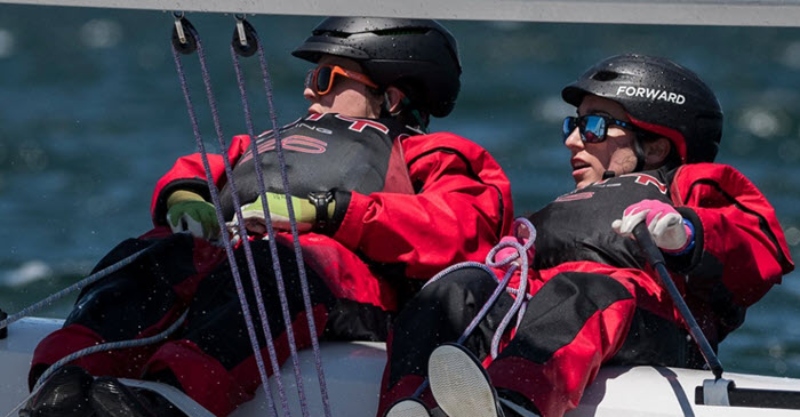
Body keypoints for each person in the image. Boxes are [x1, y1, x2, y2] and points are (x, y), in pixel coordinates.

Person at [23, 17, 514, 417]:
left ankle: (176, 400)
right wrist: (185, 199)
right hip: (232, 260)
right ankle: (63, 380)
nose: (308, 93)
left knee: (273, 265)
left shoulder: (428, 151)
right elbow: (204, 168)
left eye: (326, 79)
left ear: (391, 97)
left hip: (335, 281)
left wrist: (329, 211)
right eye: (309, 79)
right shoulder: (257, 144)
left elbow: (463, 225)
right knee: (151, 255)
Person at [378, 54, 794, 417]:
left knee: (581, 290)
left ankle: (514, 404)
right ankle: (410, 404)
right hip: (549, 319)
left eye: (594, 126)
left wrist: (684, 233)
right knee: (456, 288)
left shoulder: (689, 184)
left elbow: (759, 244)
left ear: (657, 147)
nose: (573, 141)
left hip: (649, 326)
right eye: (572, 126)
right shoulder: (560, 207)